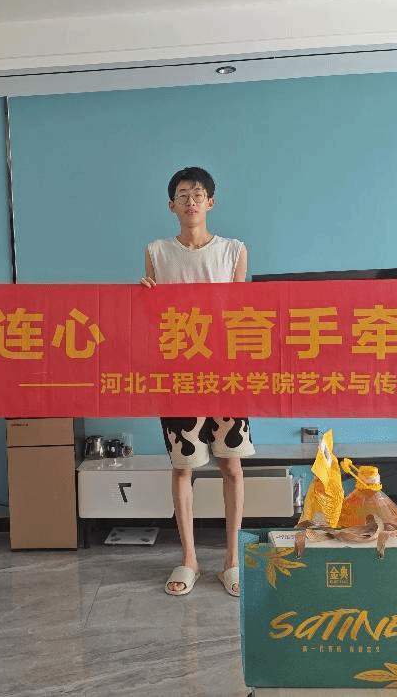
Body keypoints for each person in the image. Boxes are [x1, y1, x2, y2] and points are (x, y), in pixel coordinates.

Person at [140, 166, 255, 597]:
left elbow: (240, 314)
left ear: (211, 203)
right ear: (171, 205)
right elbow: (152, 319)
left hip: (226, 374)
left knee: (231, 465)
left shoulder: (234, 250)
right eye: (184, 194)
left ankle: (231, 560)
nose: (192, 200)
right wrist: (143, 297)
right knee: (183, 466)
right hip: (178, 374)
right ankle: (188, 558)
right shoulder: (157, 252)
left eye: (199, 194)